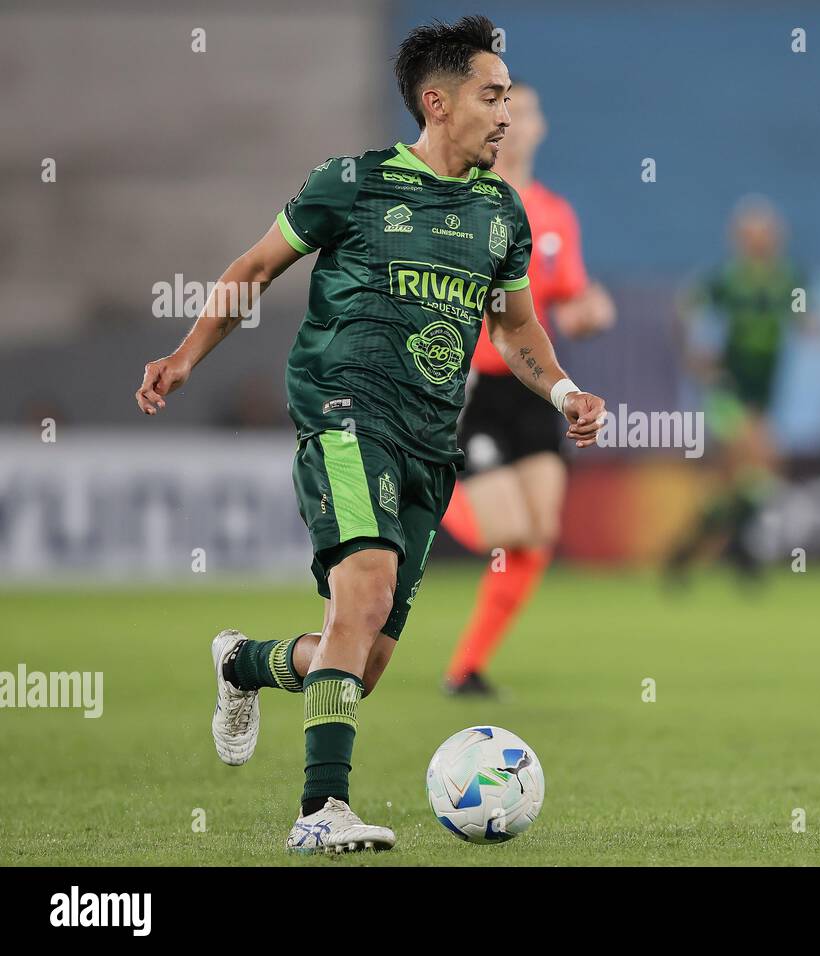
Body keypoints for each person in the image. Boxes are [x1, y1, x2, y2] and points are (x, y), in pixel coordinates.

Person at [133, 16, 606, 854]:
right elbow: (254, 270)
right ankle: (322, 811)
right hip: (343, 412)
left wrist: (564, 388)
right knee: (365, 593)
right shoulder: (350, 183)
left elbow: (516, 330)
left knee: (366, 659)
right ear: (438, 102)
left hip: (431, 438)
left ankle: (243, 664)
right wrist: (186, 355)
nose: (507, 115)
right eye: (492, 97)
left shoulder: (501, 213)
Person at [438, 80, 615, 697]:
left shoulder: (557, 213)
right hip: (483, 384)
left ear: (538, 127)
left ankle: (466, 668)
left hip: (540, 390)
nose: (515, 118)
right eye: (503, 106)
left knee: (537, 534)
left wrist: (591, 311)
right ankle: (428, 493)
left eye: (527, 109)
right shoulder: (466, 200)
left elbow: (566, 301)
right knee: (504, 531)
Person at [665, 196, 815, 582]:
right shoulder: (727, 279)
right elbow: (686, 308)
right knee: (762, 456)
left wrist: (812, 324)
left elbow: (805, 318)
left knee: (737, 480)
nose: (761, 241)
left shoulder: (788, 278)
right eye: (753, 234)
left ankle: (689, 549)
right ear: (739, 238)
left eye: (767, 233)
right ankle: (741, 549)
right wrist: (694, 354)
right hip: (728, 387)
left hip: (764, 391)